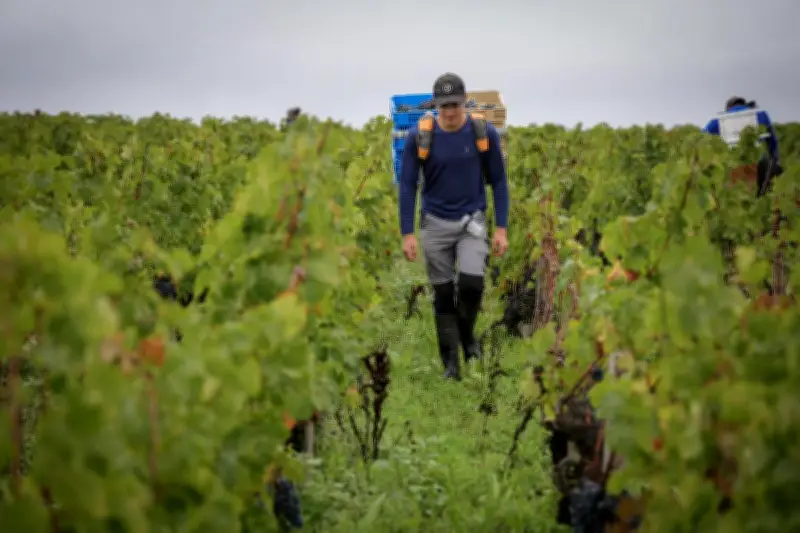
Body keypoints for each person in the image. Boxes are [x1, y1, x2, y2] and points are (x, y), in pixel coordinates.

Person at [398, 73, 510, 381]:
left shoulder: (482, 132)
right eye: (444, 105)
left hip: (471, 221)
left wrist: (501, 228)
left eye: (455, 105)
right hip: (434, 224)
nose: (449, 112)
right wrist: (407, 233)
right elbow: (407, 185)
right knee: (444, 294)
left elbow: (499, 181)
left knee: (472, 284)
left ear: (464, 103)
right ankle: (451, 364)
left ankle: (467, 335)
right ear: (436, 106)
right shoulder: (419, 137)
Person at [702, 96, 782, 196]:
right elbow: (772, 141)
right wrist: (775, 158)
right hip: (758, 164)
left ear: (728, 108)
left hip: (732, 166)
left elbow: (702, 138)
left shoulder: (719, 120)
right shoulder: (760, 114)